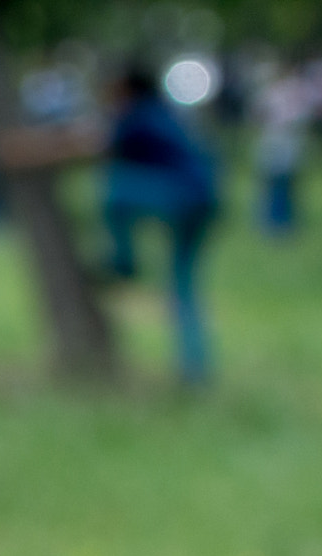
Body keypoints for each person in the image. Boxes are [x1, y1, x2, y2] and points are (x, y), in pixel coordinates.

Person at [101, 62, 220, 385]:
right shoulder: (167, 113)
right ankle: (195, 370)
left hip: (183, 195)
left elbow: (99, 146)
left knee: (114, 189)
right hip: (205, 199)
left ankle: (123, 262)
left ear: (128, 88)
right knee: (183, 285)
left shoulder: (139, 114)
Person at [253, 63, 310, 237]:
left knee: (284, 185)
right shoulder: (271, 93)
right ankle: (271, 221)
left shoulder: (294, 94)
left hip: (286, 144)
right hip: (274, 143)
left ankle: (282, 221)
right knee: (273, 184)